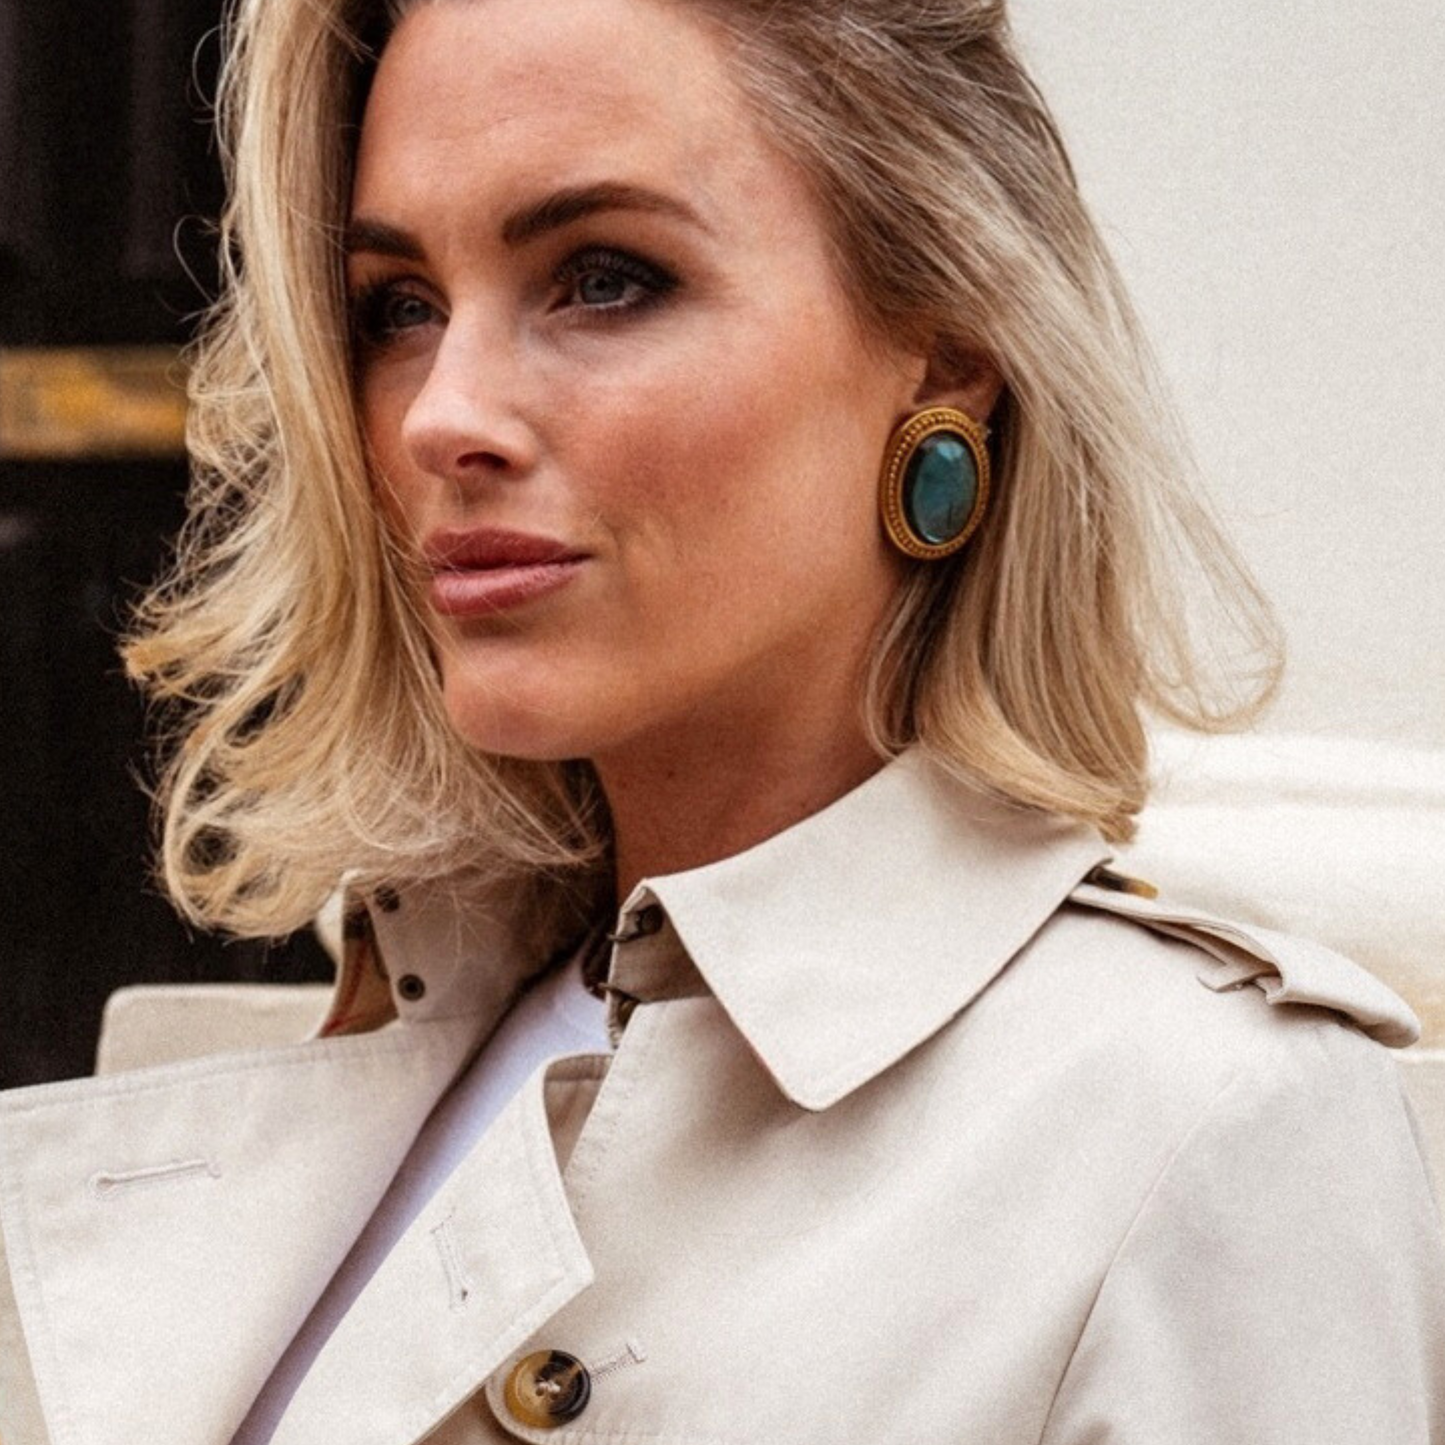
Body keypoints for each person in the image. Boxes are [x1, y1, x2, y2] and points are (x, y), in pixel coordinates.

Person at [1, 0, 1441, 1440]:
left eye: (605, 279)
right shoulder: (400, 1025)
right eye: (400, 307)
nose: (442, 414)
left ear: (944, 353)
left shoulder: (1207, 1128)